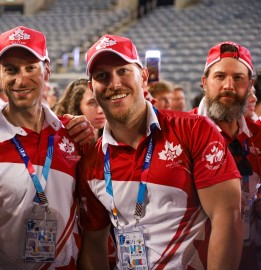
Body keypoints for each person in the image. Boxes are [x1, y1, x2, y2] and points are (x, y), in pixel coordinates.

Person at [77, 34, 243, 270]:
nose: (114, 83)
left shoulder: (194, 130)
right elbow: (94, 244)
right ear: (91, 88)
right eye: (102, 76)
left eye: (123, 71)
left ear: (144, 76)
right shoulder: (91, 161)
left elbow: (227, 216)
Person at [0, 25, 93, 269]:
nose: (21, 79)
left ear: (46, 71)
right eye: (11, 70)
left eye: (31, 68)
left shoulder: (71, 133)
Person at [192, 41, 260, 269]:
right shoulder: (179, 131)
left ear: (250, 85)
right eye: (219, 76)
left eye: (238, 78)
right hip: (193, 260)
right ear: (204, 82)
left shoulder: (257, 135)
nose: (228, 86)